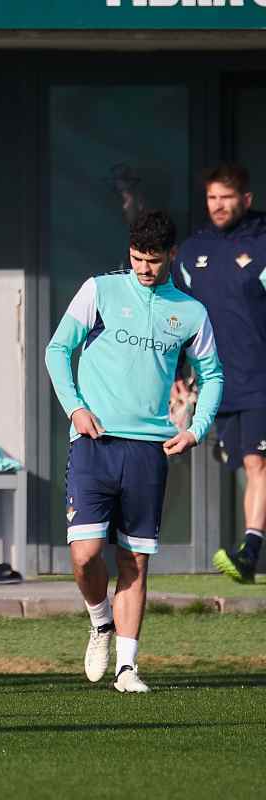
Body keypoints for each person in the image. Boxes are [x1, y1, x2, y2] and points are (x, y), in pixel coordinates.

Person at [47, 210, 223, 693]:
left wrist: (196, 430)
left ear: (171, 256)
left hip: (149, 451)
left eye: (153, 259)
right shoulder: (99, 291)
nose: (144, 268)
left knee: (134, 561)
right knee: (84, 556)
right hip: (94, 443)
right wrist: (75, 410)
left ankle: (128, 667)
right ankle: (100, 621)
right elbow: (57, 350)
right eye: (137, 258)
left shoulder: (190, 311)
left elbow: (213, 377)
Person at [172, 163, 266, 584]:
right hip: (218, 385)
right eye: (212, 197)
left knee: (257, 462)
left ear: (245, 200)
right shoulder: (193, 252)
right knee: (246, 464)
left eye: (226, 197)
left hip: (261, 379)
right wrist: (177, 370)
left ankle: (249, 552)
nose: (218, 205)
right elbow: (176, 316)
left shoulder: (263, 243)